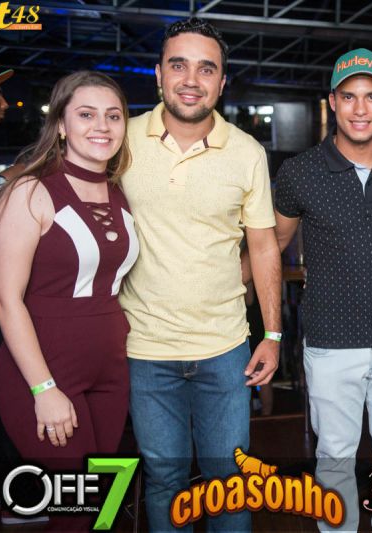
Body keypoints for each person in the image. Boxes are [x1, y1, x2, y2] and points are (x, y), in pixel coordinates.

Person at [118, 18, 281, 532]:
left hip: (224, 348)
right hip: (144, 347)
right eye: (179, 65)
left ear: (222, 82)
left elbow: (263, 246)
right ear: (158, 75)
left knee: (228, 482)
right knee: (165, 478)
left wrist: (273, 333)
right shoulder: (121, 139)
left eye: (206, 68)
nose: (191, 79)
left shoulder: (247, 152)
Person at [274, 48, 372, 532]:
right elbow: (271, 248)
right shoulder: (299, 172)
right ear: (333, 102)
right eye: (350, 96)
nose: (361, 109)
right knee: (335, 457)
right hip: (331, 344)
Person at [0, 70, 137, 531]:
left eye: (113, 116)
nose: (102, 126)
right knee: (76, 516)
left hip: (111, 375)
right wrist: (43, 389)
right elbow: (4, 299)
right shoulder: (30, 190)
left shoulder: (119, 193)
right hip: (45, 376)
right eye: (86, 114)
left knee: (102, 511)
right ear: (60, 124)